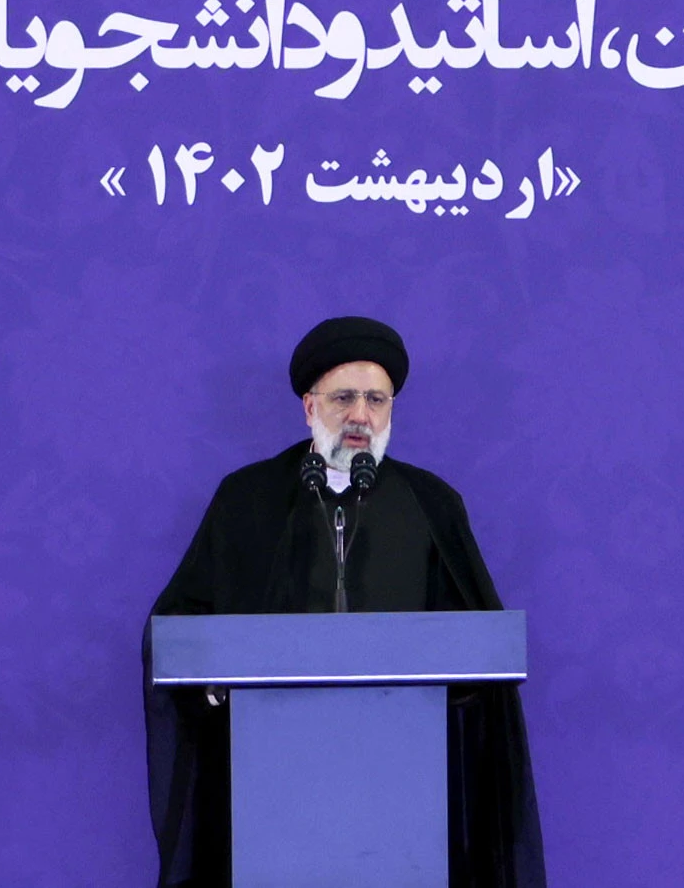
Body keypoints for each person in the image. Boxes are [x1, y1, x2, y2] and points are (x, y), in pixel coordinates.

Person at [143, 315, 547, 888]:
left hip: (404, 773)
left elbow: (479, 646)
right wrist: (215, 681)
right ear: (310, 407)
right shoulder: (247, 499)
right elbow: (181, 625)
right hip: (270, 774)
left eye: (376, 400)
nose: (361, 415)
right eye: (344, 398)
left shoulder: (432, 504)